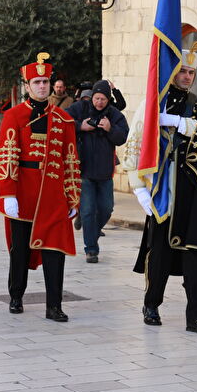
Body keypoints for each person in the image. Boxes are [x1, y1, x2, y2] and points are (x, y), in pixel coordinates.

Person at [123, 42, 197, 336]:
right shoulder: (154, 104)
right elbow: (136, 146)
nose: (188, 76)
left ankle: (196, 318)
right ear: (173, 72)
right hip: (164, 195)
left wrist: (179, 123)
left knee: (196, 257)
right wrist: (139, 188)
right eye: (183, 71)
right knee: (161, 257)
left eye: (192, 72)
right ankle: (151, 305)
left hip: (194, 195)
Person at [0, 53, 81, 322]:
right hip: (24, 192)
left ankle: (54, 305)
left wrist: (73, 198)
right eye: (37, 82)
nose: (42, 86)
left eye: (46, 81)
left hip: (54, 194)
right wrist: (8, 193)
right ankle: (16, 296)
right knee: (19, 249)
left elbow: (71, 160)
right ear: (27, 85)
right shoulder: (13, 115)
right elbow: (6, 154)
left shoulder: (63, 119)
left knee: (55, 250)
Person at [66, 80, 129, 263]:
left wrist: (110, 129)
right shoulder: (80, 108)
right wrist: (80, 126)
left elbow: (123, 137)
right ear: (92, 96)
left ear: (108, 100)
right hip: (84, 169)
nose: (99, 102)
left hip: (104, 172)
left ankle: (91, 231)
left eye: (103, 99)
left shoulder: (114, 114)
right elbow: (62, 121)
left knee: (106, 209)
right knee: (87, 210)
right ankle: (91, 250)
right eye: (97, 98)